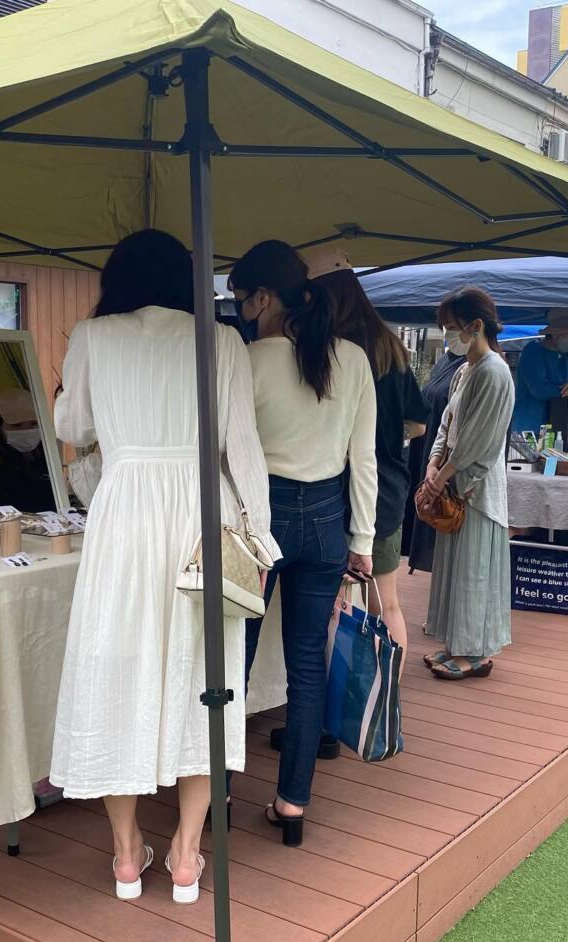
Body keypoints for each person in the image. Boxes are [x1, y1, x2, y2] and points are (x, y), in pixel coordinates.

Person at [49, 230, 277, 903]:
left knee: (115, 670)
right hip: (201, 516)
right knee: (206, 680)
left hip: (123, 516)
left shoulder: (93, 336)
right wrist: (260, 541)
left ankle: (126, 856)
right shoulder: (223, 341)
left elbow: (70, 426)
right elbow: (243, 448)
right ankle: (184, 853)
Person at [230, 240, 377, 847]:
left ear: (264, 298)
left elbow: (224, 455)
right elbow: (364, 458)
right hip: (326, 519)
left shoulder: (247, 360)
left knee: (233, 658)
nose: (240, 310)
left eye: (241, 299)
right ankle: (292, 803)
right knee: (308, 664)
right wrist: (363, 539)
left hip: (255, 519)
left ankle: (214, 794)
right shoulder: (353, 359)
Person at [304, 245, 427, 661]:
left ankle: (340, 695)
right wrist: (387, 435)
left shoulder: (329, 350)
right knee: (387, 603)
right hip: (388, 485)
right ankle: (388, 695)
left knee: (337, 604)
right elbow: (419, 425)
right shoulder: (389, 345)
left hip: (340, 489)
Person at [420, 288, 514, 680]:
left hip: (476, 490)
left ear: (476, 326)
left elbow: (480, 442)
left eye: (452, 327)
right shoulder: (465, 370)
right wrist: (433, 464)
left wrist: (441, 478)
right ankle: (456, 644)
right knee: (456, 571)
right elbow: (447, 424)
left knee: (474, 573)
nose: (448, 334)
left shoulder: (494, 371)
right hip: (454, 482)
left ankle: (474, 652)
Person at [406, 336, 469, 573]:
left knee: (444, 509)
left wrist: (442, 472)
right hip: (431, 449)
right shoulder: (446, 361)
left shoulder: (479, 370)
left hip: (451, 462)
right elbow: (444, 420)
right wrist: (433, 464)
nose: (450, 332)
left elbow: (466, 433)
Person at [511, 308, 568, 433]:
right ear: (556, 334)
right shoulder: (533, 351)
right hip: (529, 426)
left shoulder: (565, 356)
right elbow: (539, 390)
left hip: (554, 424)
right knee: (532, 446)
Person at [0, 389, 55, 514]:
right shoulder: (2, 475)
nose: (26, 430)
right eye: (16, 425)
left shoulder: (54, 461)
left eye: (33, 424)